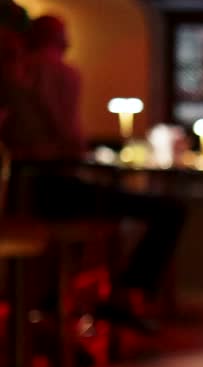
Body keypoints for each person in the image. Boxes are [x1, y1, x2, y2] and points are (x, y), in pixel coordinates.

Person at [10, 15, 185, 333]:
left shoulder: (20, 74)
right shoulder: (57, 71)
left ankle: (62, 298)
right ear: (58, 38)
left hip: (23, 189)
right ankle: (125, 295)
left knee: (111, 216)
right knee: (169, 209)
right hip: (50, 186)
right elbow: (68, 134)